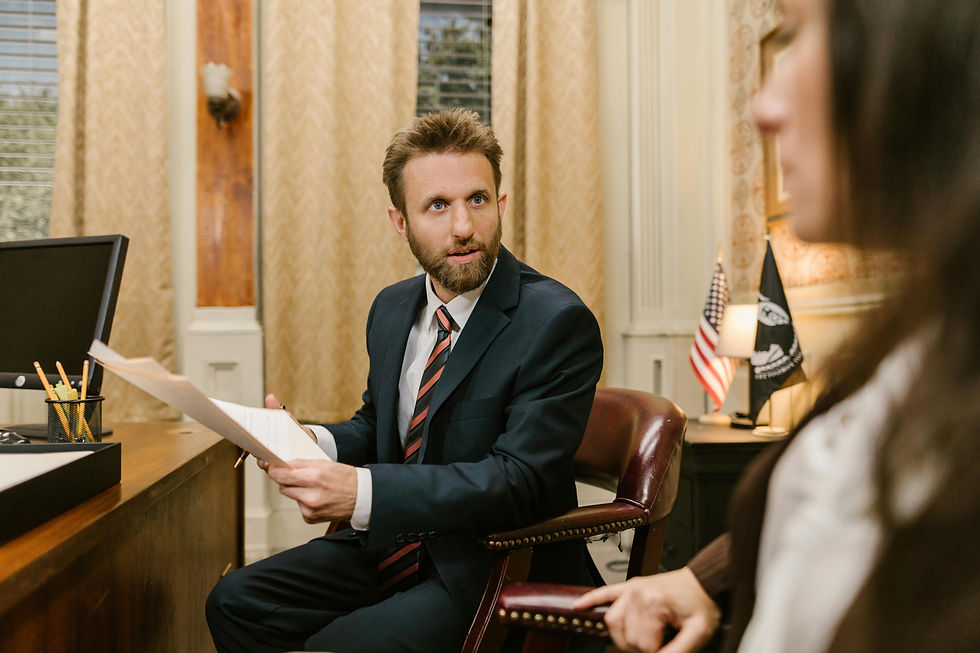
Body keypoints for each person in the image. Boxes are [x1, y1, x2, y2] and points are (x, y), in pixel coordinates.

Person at [575, 0, 980, 651]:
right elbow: (831, 508)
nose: (763, 107)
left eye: (799, 37)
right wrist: (704, 579)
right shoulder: (922, 331)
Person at [206, 108, 604, 652]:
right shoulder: (392, 308)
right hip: (398, 543)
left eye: (477, 200)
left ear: (501, 204)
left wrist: (359, 492)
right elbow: (380, 426)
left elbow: (520, 481)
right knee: (235, 602)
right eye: (437, 206)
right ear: (400, 222)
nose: (463, 227)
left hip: (493, 562)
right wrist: (312, 442)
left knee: (341, 646)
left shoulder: (556, 321)